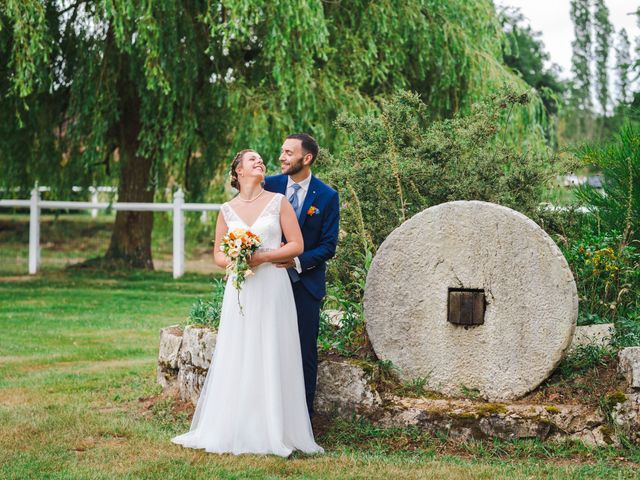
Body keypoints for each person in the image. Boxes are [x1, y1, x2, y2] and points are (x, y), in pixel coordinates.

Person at [171, 149, 323, 457]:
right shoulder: (227, 209)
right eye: (252, 159)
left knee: (271, 348)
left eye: (261, 160)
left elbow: (297, 245)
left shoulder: (278, 202)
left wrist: (262, 256)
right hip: (241, 288)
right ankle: (237, 424)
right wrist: (237, 259)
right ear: (238, 172)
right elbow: (217, 254)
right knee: (240, 351)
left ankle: (276, 428)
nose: (260, 162)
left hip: (272, 286)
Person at [264, 133, 340, 419]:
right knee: (268, 348)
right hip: (268, 280)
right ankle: (268, 417)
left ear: (306, 158)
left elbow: (327, 246)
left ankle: (302, 422)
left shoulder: (327, 196)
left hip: (305, 285)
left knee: (304, 353)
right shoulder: (268, 186)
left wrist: (295, 260)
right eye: (281, 151)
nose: (281, 157)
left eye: (288, 152)